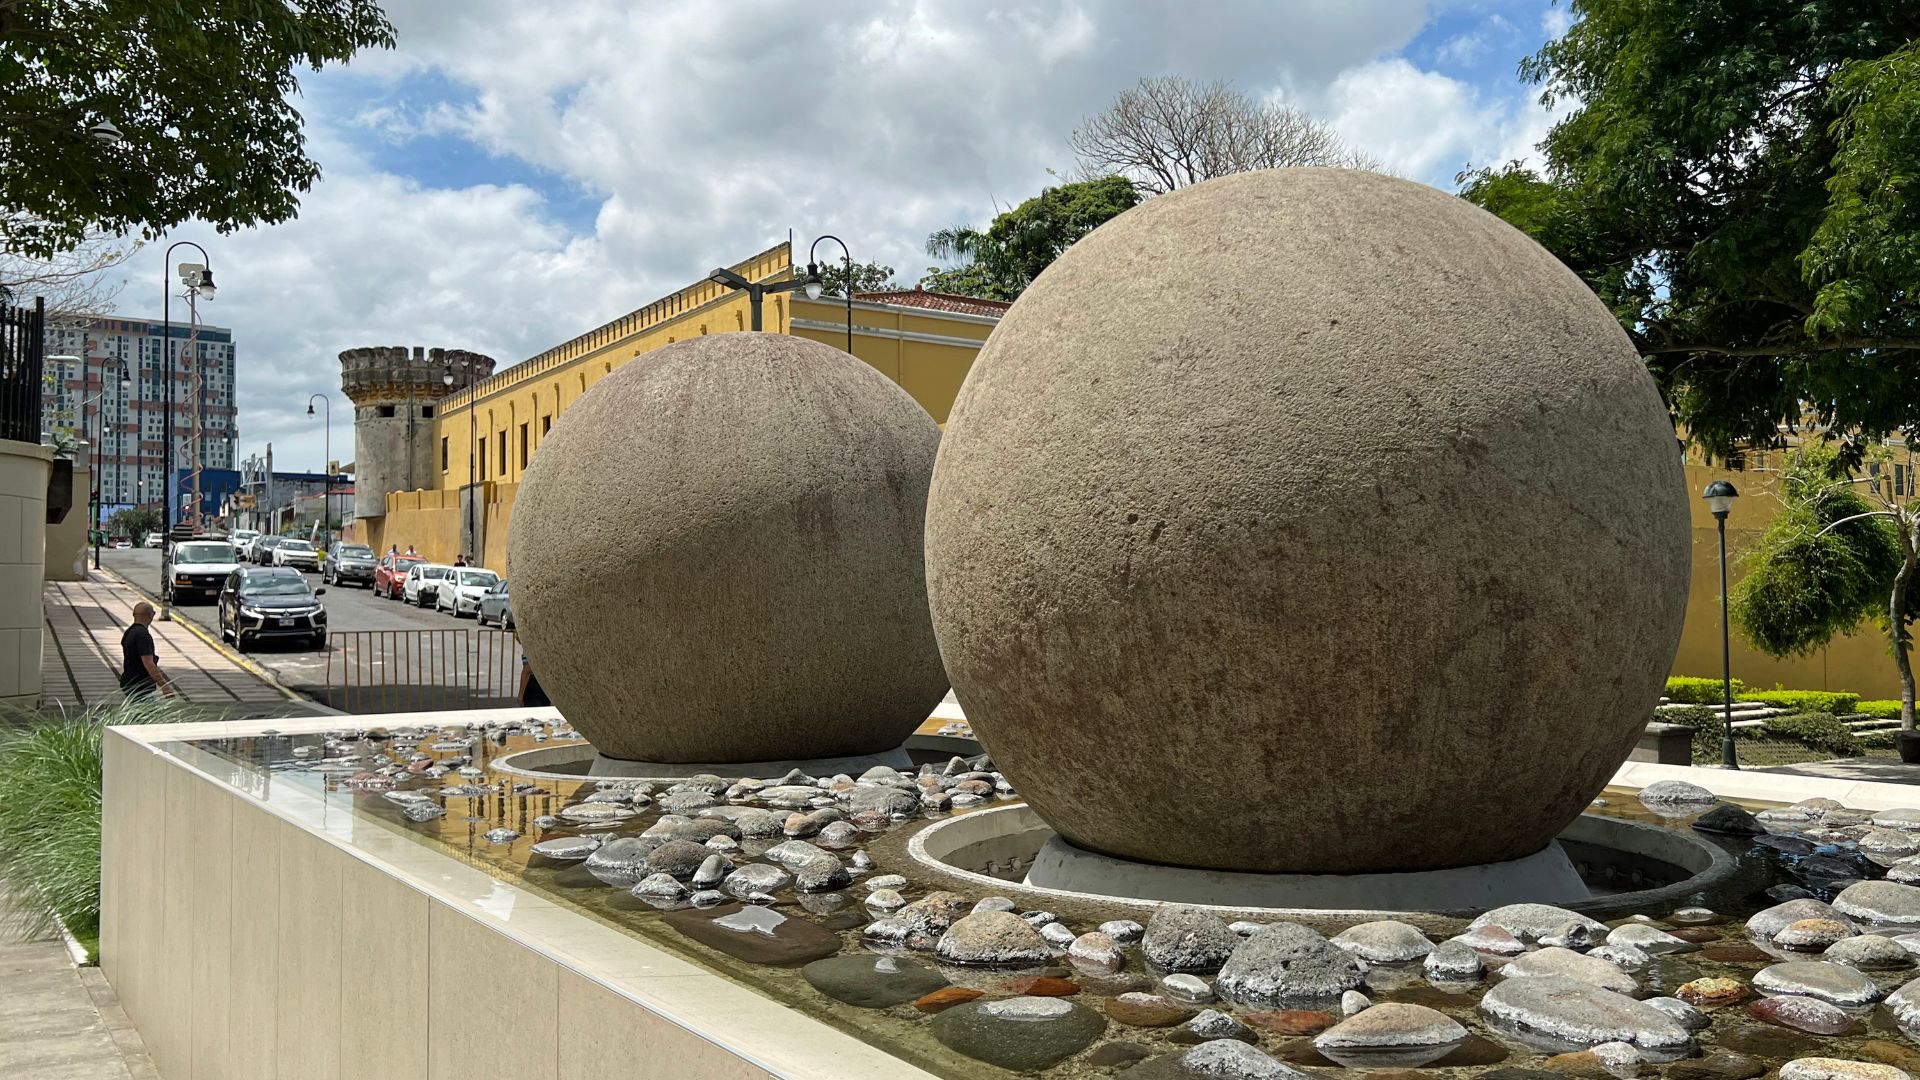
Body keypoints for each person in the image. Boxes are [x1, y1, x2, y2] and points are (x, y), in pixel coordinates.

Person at [121, 601, 173, 698]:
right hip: (140, 685)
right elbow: (149, 663)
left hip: (129, 681)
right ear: (150, 615)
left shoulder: (129, 632)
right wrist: (164, 686)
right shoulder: (143, 635)